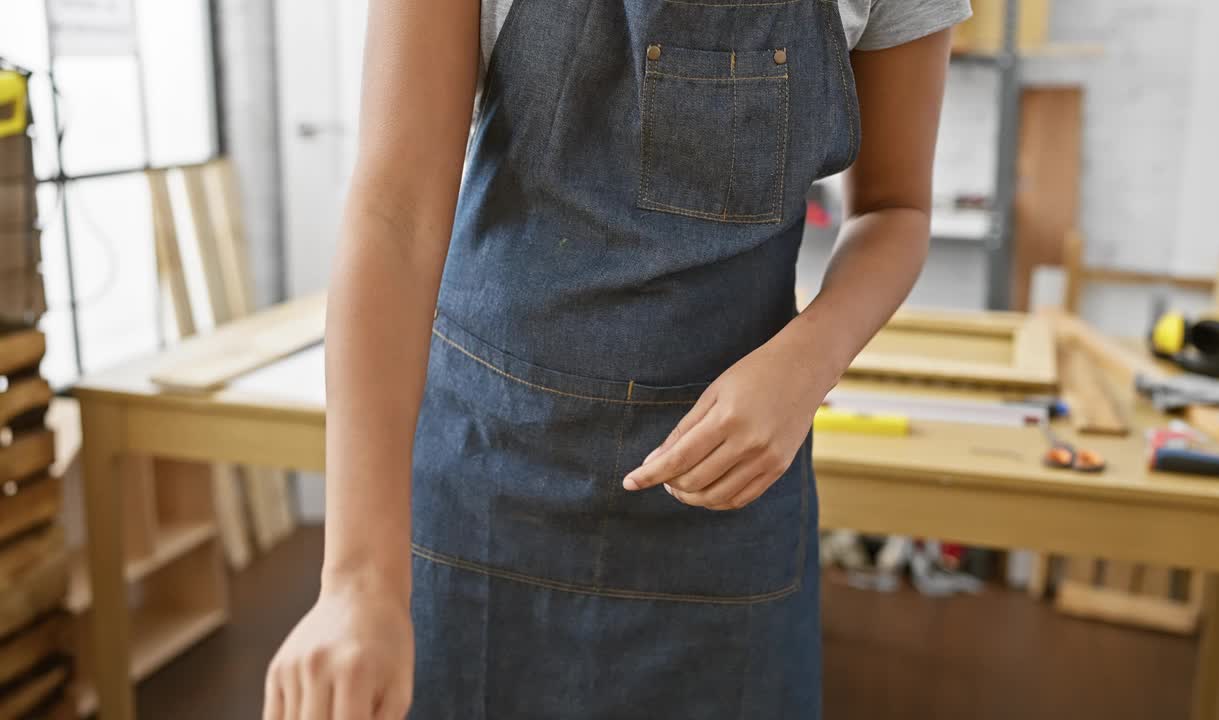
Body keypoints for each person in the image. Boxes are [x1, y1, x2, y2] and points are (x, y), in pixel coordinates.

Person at [264, 0, 970, 716]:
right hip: (480, 479)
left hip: (725, 513)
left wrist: (810, 358)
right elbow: (396, 215)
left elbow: (895, 210)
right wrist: (357, 580)